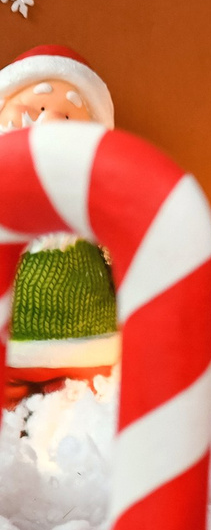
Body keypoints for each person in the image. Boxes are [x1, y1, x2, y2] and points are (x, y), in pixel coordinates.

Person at [0, 46, 121, 401]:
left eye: (66, 116)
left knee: (79, 413)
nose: (49, 124)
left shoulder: (95, 197)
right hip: (10, 354)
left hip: (89, 350)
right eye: (34, 111)